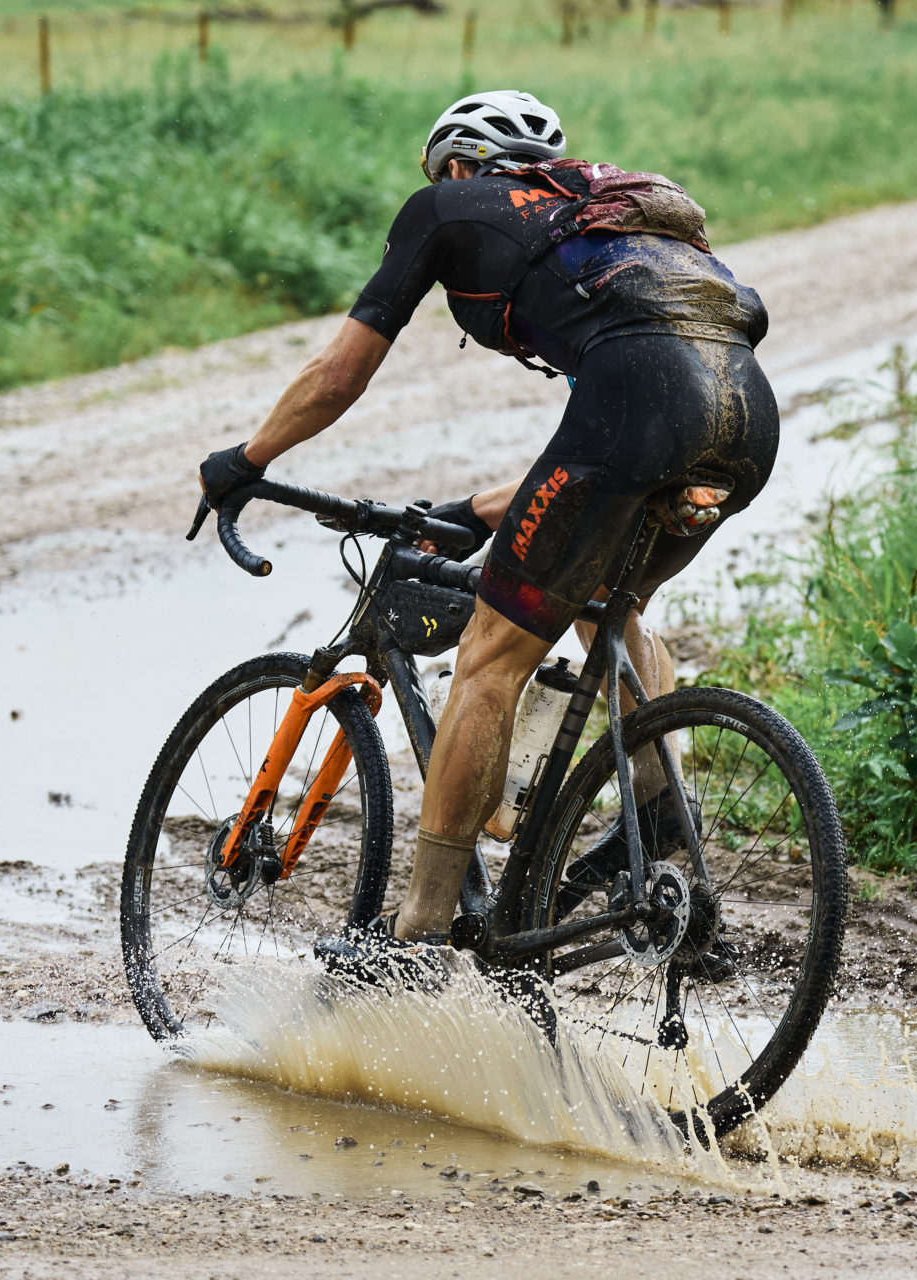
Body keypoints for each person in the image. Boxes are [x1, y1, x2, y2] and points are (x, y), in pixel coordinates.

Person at [196, 90, 780, 974]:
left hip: (639, 399)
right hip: (745, 414)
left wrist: (248, 457)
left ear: (462, 165)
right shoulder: (606, 222)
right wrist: (471, 514)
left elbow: (339, 374)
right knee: (609, 607)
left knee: (488, 658)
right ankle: (663, 816)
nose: (443, 187)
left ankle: (418, 934)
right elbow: (595, 453)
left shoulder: (447, 205)